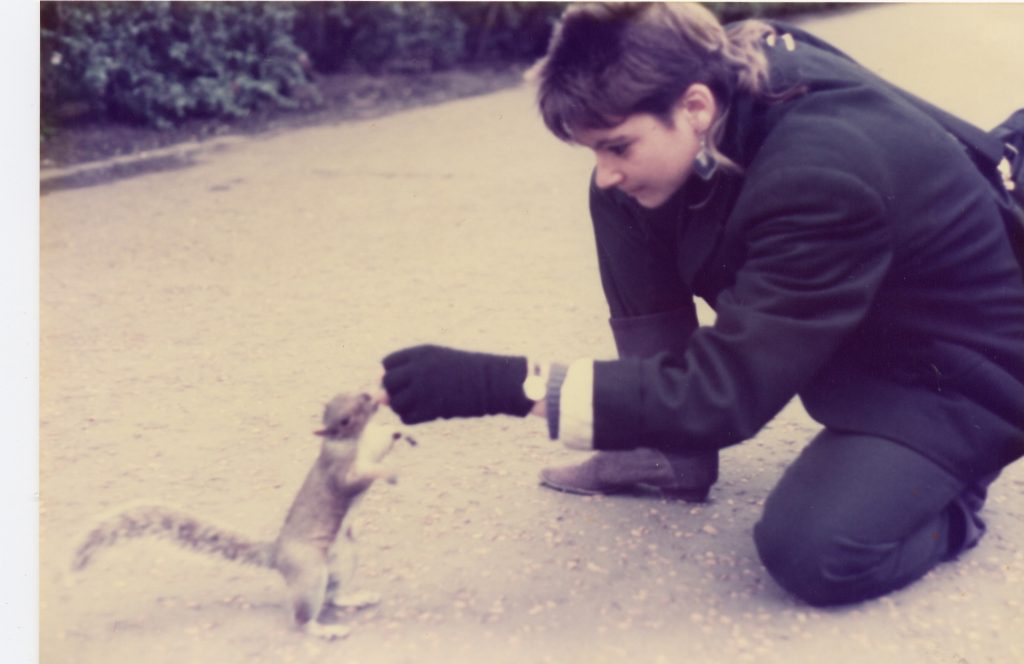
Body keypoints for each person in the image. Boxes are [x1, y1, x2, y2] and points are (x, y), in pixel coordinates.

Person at [379, 3, 1024, 607]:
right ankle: (668, 452)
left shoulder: (821, 176)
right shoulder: (730, 72)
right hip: (860, 307)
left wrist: (496, 385)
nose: (604, 167)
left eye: (617, 144)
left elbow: (723, 395)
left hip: (954, 374)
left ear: (693, 105)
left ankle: (952, 506)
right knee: (623, 198)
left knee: (813, 552)